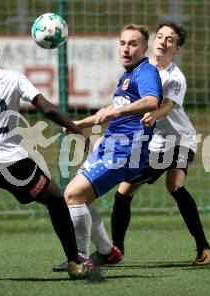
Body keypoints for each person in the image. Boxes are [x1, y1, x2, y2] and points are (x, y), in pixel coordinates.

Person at [0, 32, 89, 282]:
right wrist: (76, 129)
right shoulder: (13, 78)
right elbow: (47, 109)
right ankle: (74, 263)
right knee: (55, 198)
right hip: (16, 165)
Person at [53, 24, 162, 271]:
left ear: (144, 49)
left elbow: (151, 101)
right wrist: (79, 123)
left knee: (72, 195)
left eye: (133, 44)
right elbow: (114, 114)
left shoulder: (146, 72)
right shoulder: (126, 77)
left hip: (125, 152)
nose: (126, 48)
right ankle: (108, 252)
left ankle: (80, 258)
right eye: (123, 43)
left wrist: (116, 110)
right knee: (78, 199)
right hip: (110, 147)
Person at [110, 21, 210, 265]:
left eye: (170, 39)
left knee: (175, 185)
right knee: (123, 192)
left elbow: (166, 106)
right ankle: (116, 251)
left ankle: (203, 247)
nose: (163, 41)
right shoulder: (142, 70)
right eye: (161, 36)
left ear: (176, 48)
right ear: (153, 42)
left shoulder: (175, 77)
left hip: (179, 138)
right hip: (154, 142)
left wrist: (154, 114)